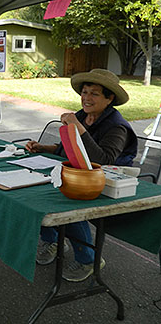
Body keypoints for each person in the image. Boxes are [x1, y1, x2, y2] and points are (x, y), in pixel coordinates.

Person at [25, 69, 137, 282]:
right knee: (34, 192)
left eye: (94, 93)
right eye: (84, 92)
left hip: (107, 183)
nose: (86, 98)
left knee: (68, 200)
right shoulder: (82, 116)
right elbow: (67, 148)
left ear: (109, 98)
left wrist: (76, 126)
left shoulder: (117, 126)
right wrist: (43, 148)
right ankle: (53, 239)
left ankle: (89, 259)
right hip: (78, 177)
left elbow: (104, 160)